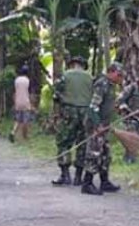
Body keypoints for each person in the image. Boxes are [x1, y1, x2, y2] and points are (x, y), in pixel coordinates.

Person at [81, 62, 124, 195]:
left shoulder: (111, 86)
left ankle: (104, 181)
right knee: (94, 153)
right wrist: (97, 125)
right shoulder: (102, 84)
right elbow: (93, 107)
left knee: (105, 153)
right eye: (119, 74)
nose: (120, 78)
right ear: (111, 72)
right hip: (96, 125)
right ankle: (87, 183)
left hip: (105, 125)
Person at [52, 57, 93, 186]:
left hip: (68, 111)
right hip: (85, 112)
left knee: (64, 142)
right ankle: (78, 177)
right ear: (83, 65)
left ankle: (65, 175)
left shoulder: (65, 76)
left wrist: (58, 110)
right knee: (82, 143)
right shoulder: (90, 78)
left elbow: (56, 95)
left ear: (72, 64)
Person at [116, 75, 139, 163]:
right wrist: (124, 108)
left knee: (137, 138)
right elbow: (119, 100)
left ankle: (133, 158)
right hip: (129, 118)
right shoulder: (131, 88)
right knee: (131, 138)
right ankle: (129, 159)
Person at [10, 65, 34, 144]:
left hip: (18, 102)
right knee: (25, 121)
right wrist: (32, 104)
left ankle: (13, 132)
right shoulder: (28, 81)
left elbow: (14, 92)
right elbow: (30, 94)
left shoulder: (16, 80)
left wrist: (14, 102)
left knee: (17, 120)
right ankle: (24, 137)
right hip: (26, 102)